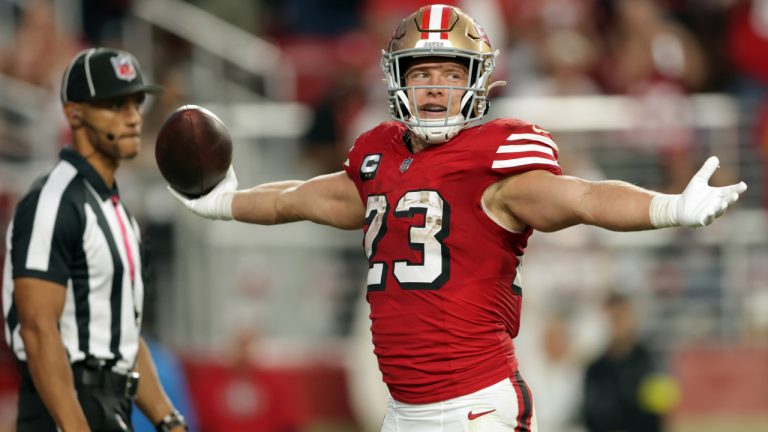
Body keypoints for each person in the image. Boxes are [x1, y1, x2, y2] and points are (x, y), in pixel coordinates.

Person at [169, 5, 747, 431]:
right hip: (402, 411)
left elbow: (584, 198)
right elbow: (297, 198)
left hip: (476, 409)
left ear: (477, 81)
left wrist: (668, 207)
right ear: (398, 79)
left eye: (451, 73)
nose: (436, 89)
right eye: (422, 73)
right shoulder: (377, 157)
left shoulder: (495, 161)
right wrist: (225, 201)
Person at [2, 47, 187, 432]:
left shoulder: (120, 214)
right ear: (74, 113)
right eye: (115, 105)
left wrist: (170, 422)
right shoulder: (53, 201)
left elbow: (123, 339)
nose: (133, 117)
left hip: (112, 405)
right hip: (64, 406)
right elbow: (37, 328)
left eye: (136, 103)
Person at [582, 292, 666, 432]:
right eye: (614, 319)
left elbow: (659, 414)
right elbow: (591, 416)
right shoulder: (595, 370)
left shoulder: (649, 362)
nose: (618, 325)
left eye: (622, 317)